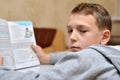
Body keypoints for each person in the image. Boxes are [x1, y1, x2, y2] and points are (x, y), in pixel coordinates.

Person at [0, 2, 120, 80]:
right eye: (69, 30)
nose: (72, 37)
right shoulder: (112, 51)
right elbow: (71, 54)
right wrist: (47, 58)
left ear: (104, 37)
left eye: (82, 31)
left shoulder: (89, 57)